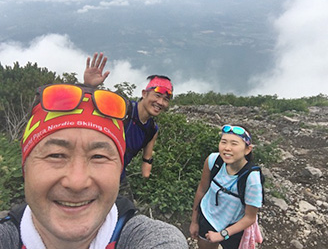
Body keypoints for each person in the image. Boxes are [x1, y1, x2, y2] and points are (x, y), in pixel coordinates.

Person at [0, 84, 188, 249]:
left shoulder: (151, 239)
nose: (77, 182)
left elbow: (147, 156)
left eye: (99, 156)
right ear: (25, 166)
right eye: (56, 155)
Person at [84, 52, 173, 179]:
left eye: (166, 99)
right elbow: (87, 114)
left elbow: (147, 158)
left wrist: (147, 183)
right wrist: (88, 87)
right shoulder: (122, 108)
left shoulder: (152, 129)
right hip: (92, 172)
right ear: (144, 94)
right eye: (157, 96)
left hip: (117, 178)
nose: (160, 102)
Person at [189, 125, 263, 249]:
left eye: (234, 143)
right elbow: (202, 190)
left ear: (247, 149)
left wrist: (223, 234)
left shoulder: (252, 179)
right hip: (208, 216)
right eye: (223, 142)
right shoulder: (213, 160)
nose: (227, 148)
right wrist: (194, 221)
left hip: (234, 225)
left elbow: (250, 217)